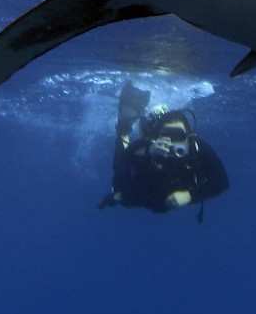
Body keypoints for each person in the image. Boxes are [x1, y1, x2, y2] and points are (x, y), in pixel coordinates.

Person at [98, 83, 229, 216]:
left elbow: (222, 181)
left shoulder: (196, 148)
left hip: (167, 199)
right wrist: (149, 151)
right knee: (120, 187)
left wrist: (190, 196)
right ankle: (124, 132)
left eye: (179, 135)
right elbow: (126, 157)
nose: (173, 140)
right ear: (159, 135)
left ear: (188, 136)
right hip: (140, 194)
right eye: (168, 134)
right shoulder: (151, 145)